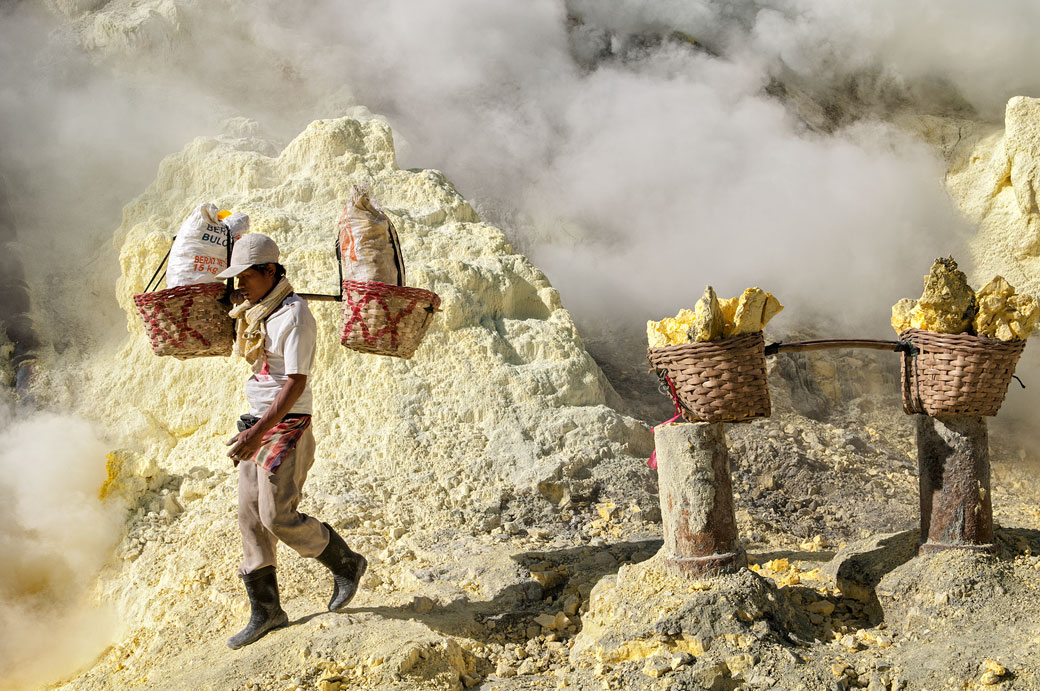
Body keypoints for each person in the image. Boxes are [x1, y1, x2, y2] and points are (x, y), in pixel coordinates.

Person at [215, 233, 367, 650]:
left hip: (286, 424)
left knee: (276, 515)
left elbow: (296, 382)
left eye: (245, 277)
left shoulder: (295, 315)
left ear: (270, 271)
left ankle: (346, 562)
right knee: (250, 519)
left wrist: (257, 432)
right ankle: (267, 612)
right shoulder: (256, 311)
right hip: (258, 422)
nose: (238, 287)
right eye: (236, 279)